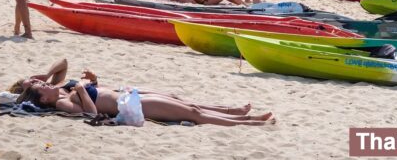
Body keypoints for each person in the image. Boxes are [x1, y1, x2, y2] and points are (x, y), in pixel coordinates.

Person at [18, 59, 273, 126]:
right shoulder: (61, 104)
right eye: (43, 87)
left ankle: (234, 112)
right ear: (43, 99)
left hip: (127, 95)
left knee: (182, 102)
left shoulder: (60, 88)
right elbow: (89, 113)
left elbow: (62, 62)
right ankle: (247, 122)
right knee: (193, 114)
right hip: (130, 107)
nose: (48, 85)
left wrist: (45, 76)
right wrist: (84, 90)